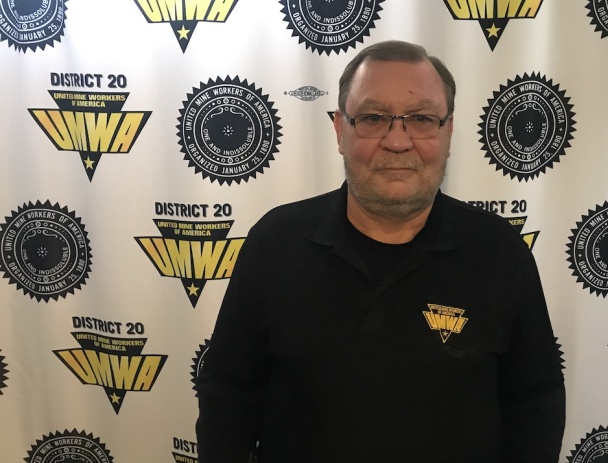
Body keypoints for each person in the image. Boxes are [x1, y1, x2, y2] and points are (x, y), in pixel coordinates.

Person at [196, 40, 565, 462]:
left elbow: (535, 404)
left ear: (448, 131)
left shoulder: (501, 253)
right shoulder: (274, 243)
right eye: (372, 118)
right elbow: (228, 397)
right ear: (339, 129)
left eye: (422, 119)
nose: (397, 142)